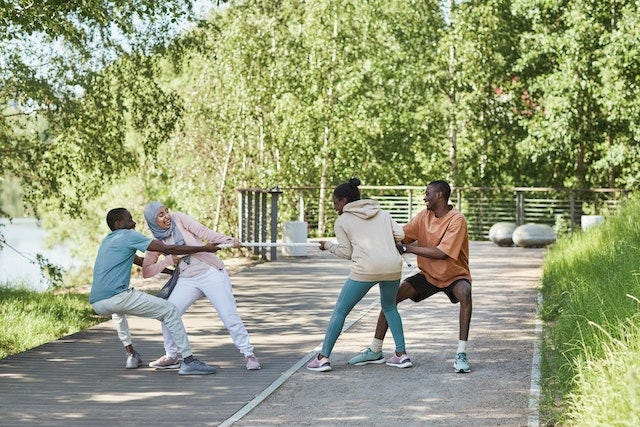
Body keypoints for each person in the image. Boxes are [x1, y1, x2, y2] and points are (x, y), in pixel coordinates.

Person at [348, 180, 473, 373]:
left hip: (454, 275)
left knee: (465, 291)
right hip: (429, 275)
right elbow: (401, 236)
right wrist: (370, 234)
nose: (424, 197)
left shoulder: (457, 219)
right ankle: (375, 349)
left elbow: (442, 253)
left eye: (427, 193)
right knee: (391, 298)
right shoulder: (424, 216)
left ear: (439, 195)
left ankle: (461, 353)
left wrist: (408, 248)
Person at [89, 208, 218, 375]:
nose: (134, 223)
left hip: (98, 303)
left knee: (117, 312)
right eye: (130, 220)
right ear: (119, 224)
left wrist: (171, 272)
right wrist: (204, 248)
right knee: (170, 310)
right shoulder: (128, 235)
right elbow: (169, 248)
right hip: (119, 297)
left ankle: (131, 355)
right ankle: (189, 361)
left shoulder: (107, 241)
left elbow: (141, 261)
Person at [306, 178, 412, 372]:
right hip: (392, 267)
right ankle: (401, 355)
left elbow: (346, 253)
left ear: (344, 201)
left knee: (340, 310)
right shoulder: (382, 213)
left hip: (365, 269)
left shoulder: (343, 220)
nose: (334, 207)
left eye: (335, 203)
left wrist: (328, 246)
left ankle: (323, 358)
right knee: (389, 307)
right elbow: (401, 235)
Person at [142, 201, 261, 371]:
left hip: (210, 272)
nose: (167, 216)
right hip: (187, 279)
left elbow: (204, 232)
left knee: (228, 314)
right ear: (153, 221)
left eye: (166, 211)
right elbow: (147, 271)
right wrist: (168, 260)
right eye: (161, 215)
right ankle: (171, 356)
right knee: (167, 312)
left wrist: (228, 240)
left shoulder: (179, 219)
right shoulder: (155, 241)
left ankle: (249, 354)